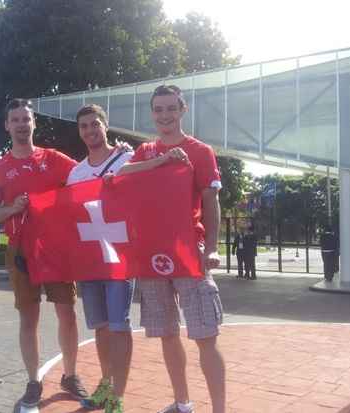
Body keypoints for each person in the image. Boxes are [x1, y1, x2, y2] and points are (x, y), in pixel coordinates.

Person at [118, 85, 226, 413]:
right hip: (151, 255)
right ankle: (182, 403)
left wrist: (211, 247)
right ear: (152, 113)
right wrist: (161, 160)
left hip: (188, 252)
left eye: (170, 108)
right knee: (167, 334)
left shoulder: (200, 151)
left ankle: (219, 409)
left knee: (205, 334)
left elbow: (211, 201)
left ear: (182, 110)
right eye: (158, 110)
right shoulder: (145, 151)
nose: (164, 116)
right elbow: (120, 174)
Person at [0, 98, 88, 408]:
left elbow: (89, 174)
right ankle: (33, 381)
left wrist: (115, 156)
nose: (21, 124)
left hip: (56, 248)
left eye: (25, 119)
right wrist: (12, 208)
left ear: (34, 123)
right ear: (7, 126)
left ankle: (70, 376)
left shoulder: (54, 159)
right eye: (14, 119)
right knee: (28, 318)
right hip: (21, 252)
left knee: (66, 313)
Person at [66, 104, 134, 413]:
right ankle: (106, 386)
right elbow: (69, 215)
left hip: (119, 255)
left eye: (95, 124)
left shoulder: (126, 159)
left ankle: (116, 397)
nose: (90, 130)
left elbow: (139, 201)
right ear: (79, 131)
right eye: (84, 126)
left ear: (105, 125)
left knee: (120, 325)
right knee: (102, 327)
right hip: (89, 258)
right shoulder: (76, 173)